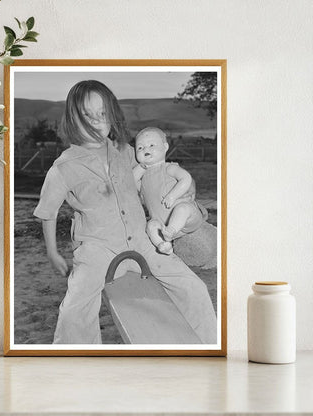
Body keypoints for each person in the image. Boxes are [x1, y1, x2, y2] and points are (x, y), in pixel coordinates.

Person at [33, 80, 217, 344]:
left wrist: (182, 190)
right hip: (98, 248)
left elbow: (156, 170)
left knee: (194, 288)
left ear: (112, 115)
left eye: (103, 113)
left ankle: (203, 349)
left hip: (142, 241)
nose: (97, 121)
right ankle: (74, 366)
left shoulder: (125, 152)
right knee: (75, 308)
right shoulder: (63, 167)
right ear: (74, 118)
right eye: (88, 115)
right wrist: (52, 252)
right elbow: (48, 212)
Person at [133, 127, 208, 255]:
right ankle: (163, 244)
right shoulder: (144, 180)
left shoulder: (168, 168)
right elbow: (131, 181)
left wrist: (173, 196)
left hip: (186, 219)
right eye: (140, 148)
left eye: (151, 145)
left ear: (165, 147)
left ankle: (171, 231)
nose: (146, 149)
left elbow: (186, 178)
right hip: (162, 224)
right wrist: (140, 167)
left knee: (183, 209)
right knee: (151, 226)